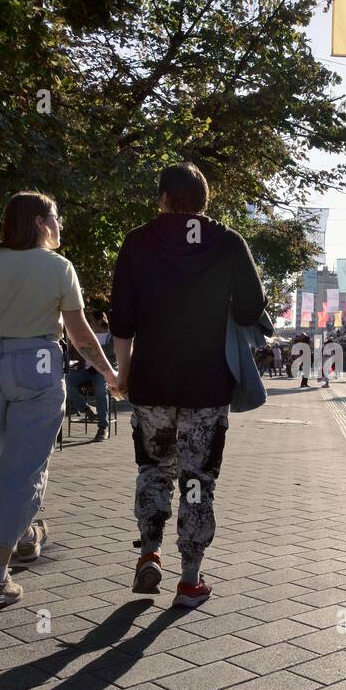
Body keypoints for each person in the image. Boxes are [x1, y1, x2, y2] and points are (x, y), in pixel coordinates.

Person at [0, 191, 119, 610]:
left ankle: (25, 536)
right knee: (24, 470)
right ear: (41, 223)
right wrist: (110, 375)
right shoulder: (58, 268)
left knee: (9, 461)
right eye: (56, 217)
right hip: (37, 363)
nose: (61, 225)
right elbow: (80, 335)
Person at [110, 163, 265, 609]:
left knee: (153, 470)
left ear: (161, 197)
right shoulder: (229, 243)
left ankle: (148, 552)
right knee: (198, 478)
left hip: (152, 381)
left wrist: (124, 374)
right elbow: (253, 308)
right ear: (205, 199)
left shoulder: (137, 242)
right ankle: (190, 579)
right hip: (207, 383)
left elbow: (122, 319)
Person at [65, 310, 116, 442]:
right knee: (64, 381)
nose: (89, 323)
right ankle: (86, 409)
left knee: (100, 389)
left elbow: (109, 353)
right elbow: (80, 351)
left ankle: (103, 426)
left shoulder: (111, 336)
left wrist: (89, 349)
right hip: (86, 371)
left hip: (102, 371)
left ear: (100, 321)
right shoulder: (89, 335)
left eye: (91, 321)